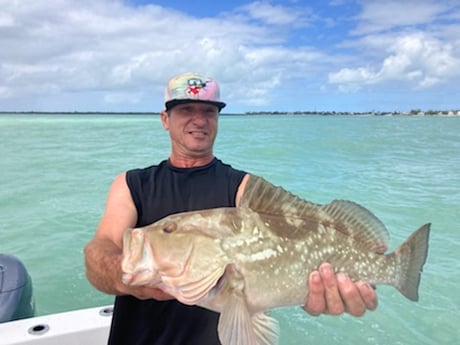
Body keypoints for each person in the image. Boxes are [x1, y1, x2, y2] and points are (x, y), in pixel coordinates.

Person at [84, 72, 377, 345]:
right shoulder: (132, 184)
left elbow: (293, 249)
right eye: (186, 109)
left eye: (209, 112)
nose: (199, 120)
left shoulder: (245, 189)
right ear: (165, 118)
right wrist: (124, 275)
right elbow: (101, 248)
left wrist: (316, 292)